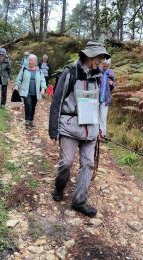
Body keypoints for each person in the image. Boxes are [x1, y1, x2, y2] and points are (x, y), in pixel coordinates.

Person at [49, 40, 111, 217]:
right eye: (98, 57)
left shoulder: (98, 76)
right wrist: (53, 129)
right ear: (88, 55)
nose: (101, 61)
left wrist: (100, 128)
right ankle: (60, 186)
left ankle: (79, 200)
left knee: (89, 164)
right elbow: (57, 102)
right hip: (69, 126)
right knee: (67, 162)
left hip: (90, 128)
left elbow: (99, 104)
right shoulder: (70, 73)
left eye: (102, 58)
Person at [16, 54, 47, 128]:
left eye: (32, 60)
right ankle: (27, 121)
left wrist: (43, 88)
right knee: (28, 105)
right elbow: (19, 79)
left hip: (35, 92)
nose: (30, 61)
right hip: (26, 92)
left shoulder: (39, 70)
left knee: (33, 106)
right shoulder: (24, 69)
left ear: (35, 61)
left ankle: (31, 121)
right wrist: (16, 86)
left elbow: (43, 80)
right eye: (29, 60)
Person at [99, 58, 116, 137]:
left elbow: (114, 85)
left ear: (109, 65)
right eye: (104, 66)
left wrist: (112, 84)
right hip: (96, 98)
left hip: (105, 99)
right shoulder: (98, 70)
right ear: (102, 64)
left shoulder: (111, 72)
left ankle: (103, 134)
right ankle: (96, 133)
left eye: (107, 66)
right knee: (95, 116)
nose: (105, 67)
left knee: (103, 117)